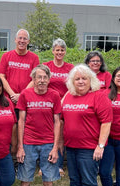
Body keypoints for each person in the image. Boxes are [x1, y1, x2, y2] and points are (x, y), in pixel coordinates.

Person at [61, 64, 112, 186]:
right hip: (71, 146)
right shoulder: (68, 96)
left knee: (89, 181)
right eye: (77, 79)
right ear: (71, 82)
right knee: (74, 179)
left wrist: (100, 145)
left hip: (89, 148)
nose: (81, 81)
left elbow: (106, 122)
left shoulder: (98, 96)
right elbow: (61, 119)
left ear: (91, 80)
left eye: (84, 78)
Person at [14, 64, 62, 186]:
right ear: (33, 79)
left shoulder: (54, 95)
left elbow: (57, 122)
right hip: (28, 143)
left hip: (48, 143)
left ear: (49, 79)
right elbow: (21, 121)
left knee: (48, 180)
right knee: (25, 179)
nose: (41, 80)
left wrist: (55, 147)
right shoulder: (25, 95)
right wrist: (20, 146)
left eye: (44, 77)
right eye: (38, 77)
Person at [43, 38, 74, 176]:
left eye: (62, 50)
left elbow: (72, 86)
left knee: (61, 133)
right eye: (57, 50)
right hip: (48, 104)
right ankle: (44, 164)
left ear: (65, 52)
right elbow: (42, 84)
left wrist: (63, 100)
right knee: (47, 133)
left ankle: (59, 165)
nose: (59, 52)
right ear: (53, 51)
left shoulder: (70, 68)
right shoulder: (46, 66)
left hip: (64, 104)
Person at [0, 29, 40, 104]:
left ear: (28, 41)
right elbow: (1, 76)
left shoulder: (34, 58)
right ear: (15, 40)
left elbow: (35, 79)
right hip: (8, 99)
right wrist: (12, 94)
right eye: (20, 38)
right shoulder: (6, 56)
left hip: (26, 99)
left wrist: (22, 95)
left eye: (25, 38)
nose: (22, 41)